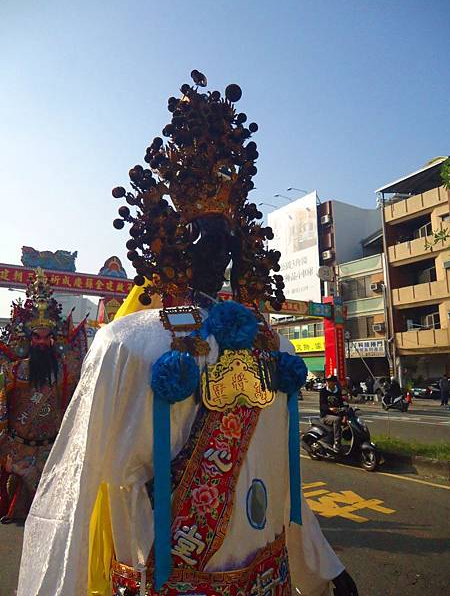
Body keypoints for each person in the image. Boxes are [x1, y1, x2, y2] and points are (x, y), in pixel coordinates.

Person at [18, 72, 358, 596]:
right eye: (204, 232)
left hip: (265, 580)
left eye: (226, 234)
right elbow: (79, 492)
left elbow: (283, 481)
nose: (216, 246)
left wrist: (323, 566)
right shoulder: (126, 344)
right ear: (175, 235)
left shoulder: (276, 345)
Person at [0, 269, 87, 523]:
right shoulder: (13, 369)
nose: (41, 342)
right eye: (36, 337)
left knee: (50, 511)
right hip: (18, 447)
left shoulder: (66, 368)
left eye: (47, 337)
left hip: (51, 446)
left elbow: (77, 395)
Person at [320, 375, 345, 452]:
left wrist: (344, 413)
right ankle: (337, 444)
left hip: (337, 414)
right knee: (337, 420)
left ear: (334, 382)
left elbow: (342, 404)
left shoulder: (338, 391)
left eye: (329, 381)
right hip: (326, 416)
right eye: (327, 381)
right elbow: (322, 405)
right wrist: (330, 408)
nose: (328, 382)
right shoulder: (323, 391)